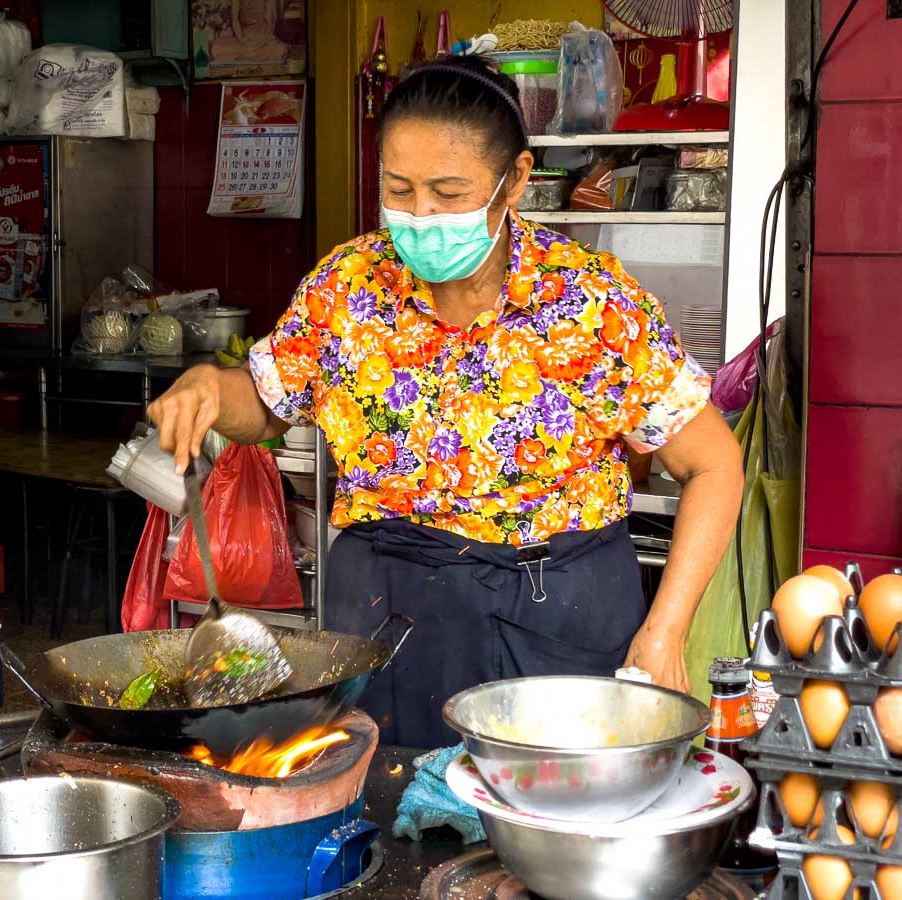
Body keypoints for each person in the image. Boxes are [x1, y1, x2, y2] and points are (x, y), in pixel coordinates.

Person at [148, 56, 743, 748]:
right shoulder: (348, 287)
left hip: (556, 614)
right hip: (388, 610)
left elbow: (714, 465)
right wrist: (209, 391)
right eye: (399, 190)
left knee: (538, 826)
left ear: (515, 180)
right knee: (391, 819)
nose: (421, 216)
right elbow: (268, 401)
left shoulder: (590, 303)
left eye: (449, 192)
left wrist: (665, 630)